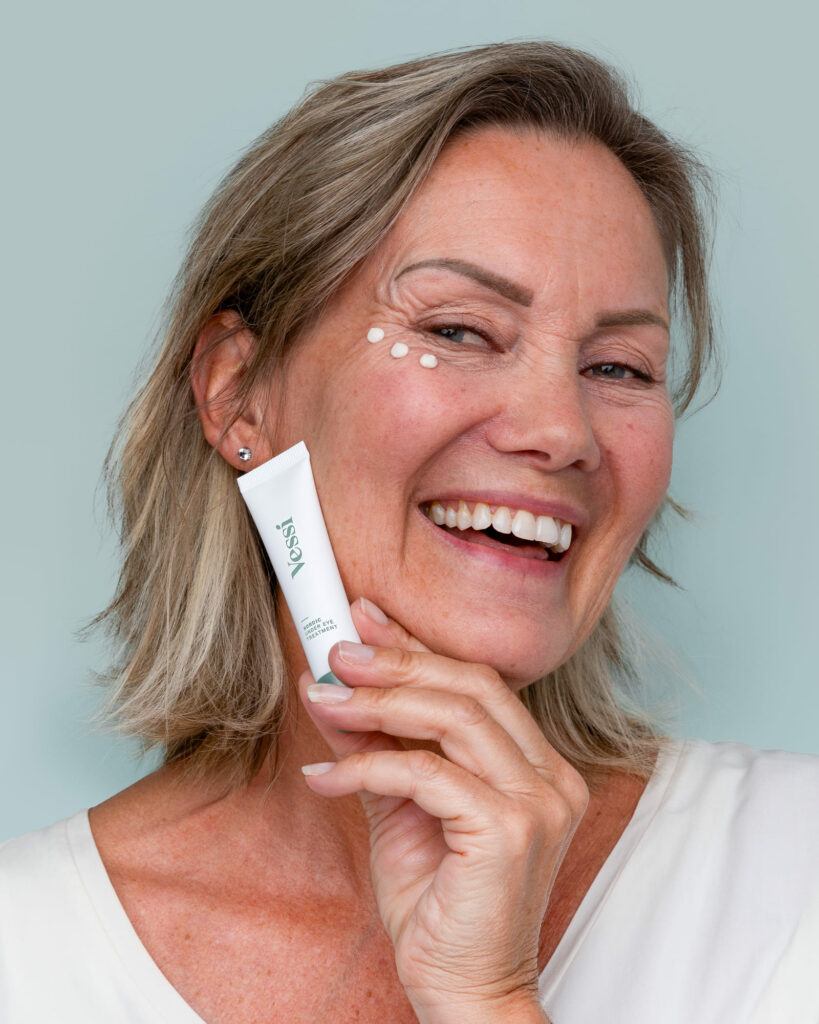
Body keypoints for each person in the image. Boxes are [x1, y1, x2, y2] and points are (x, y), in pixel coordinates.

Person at [1, 41, 817, 1024]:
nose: (560, 431)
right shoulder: (24, 951)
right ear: (236, 392)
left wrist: (487, 999)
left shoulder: (793, 875)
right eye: (457, 331)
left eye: (619, 368)